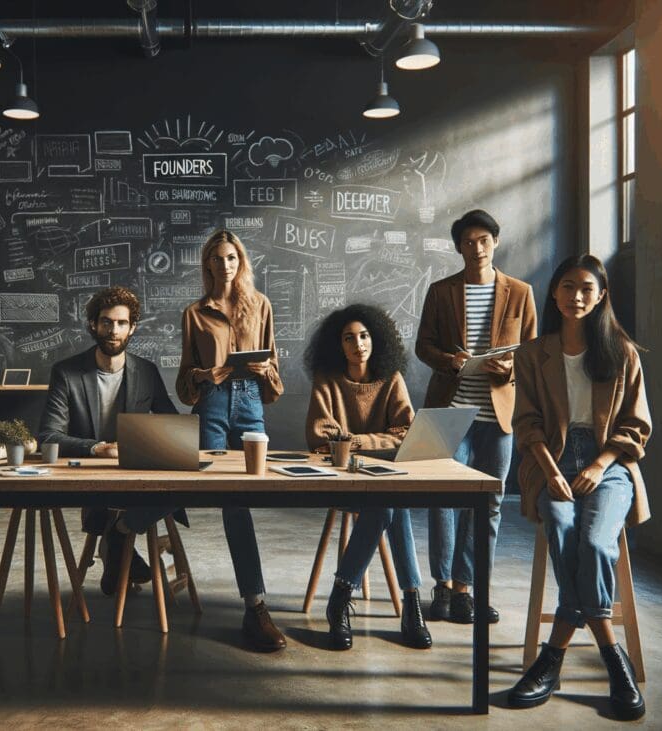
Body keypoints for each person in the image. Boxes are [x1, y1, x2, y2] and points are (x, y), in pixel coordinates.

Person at [507, 254, 651, 721]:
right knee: (563, 527)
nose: (577, 296)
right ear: (554, 292)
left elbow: (636, 426)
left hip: (609, 463)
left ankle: (552, 657)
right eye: (568, 287)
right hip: (549, 459)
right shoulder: (532, 353)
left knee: (591, 541)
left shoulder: (622, 352)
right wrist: (551, 471)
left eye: (588, 288)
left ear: (601, 295)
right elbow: (525, 424)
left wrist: (600, 463)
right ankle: (615, 657)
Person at [415, 209, 537, 624]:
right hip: (451, 411)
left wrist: (512, 370)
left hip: (498, 416)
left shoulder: (520, 292)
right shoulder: (441, 290)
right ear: (458, 247)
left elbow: (534, 352)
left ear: (496, 242)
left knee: (490, 502)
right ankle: (443, 586)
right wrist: (450, 360)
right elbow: (423, 346)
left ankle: (469, 588)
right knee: (442, 499)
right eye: (468, 242)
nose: (476, 248)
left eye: (484, 240)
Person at [175, 229, 286, 652]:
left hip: (251, 404)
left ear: (242, 262)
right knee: (191, 484)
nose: (225, 265)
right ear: (207, 265)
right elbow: (185, 380)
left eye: (232, 258)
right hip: (214, 404)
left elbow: (274, 368)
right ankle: (256, 606)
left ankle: (254, 605)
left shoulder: (261, 306)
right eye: (218, 259)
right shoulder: (195, 312)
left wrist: (263, 373)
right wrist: (205, 377)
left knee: (239, 498)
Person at [37, 285, 184, 595]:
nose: (113, 330)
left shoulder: (146, 371)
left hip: (135, 479)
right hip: (93, 482)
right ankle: (124, 545)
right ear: (94, 324)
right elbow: (48, 435)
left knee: (186, 482)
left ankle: (118, 537)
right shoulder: (66, 373)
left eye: (121, 323)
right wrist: (96, 448)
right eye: (106, 322)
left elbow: (173, 425)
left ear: (132, 327)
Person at [304, 304, 431, 651]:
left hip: (382, 482)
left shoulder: (392, 380)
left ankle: (341, 596)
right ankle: (411, 601)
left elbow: (407, 433)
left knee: (389, 501)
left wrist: (356, 441)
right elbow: (320, 435)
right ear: (338, 344)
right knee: (391, 502)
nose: (358, 344)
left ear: (377, 340)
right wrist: (378, 441)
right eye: (349, 338)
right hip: (340, 482)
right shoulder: (327, 381)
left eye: (364, 336)